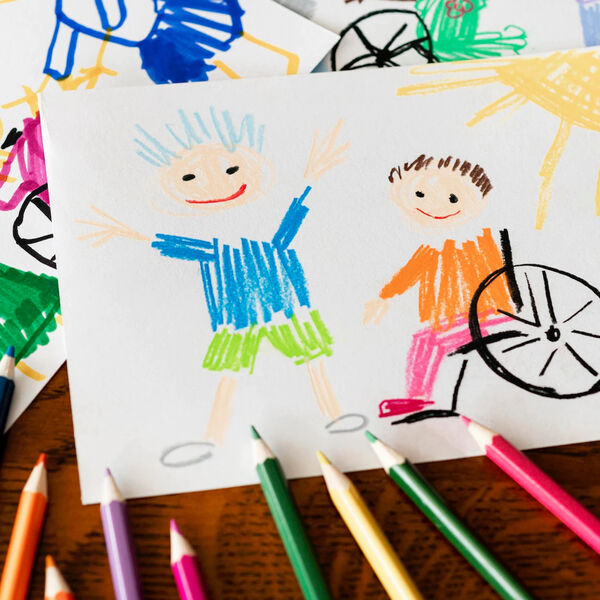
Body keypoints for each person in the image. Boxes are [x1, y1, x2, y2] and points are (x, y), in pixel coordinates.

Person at [81, 109, 364, 453]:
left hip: (284, 306)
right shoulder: (217, 248)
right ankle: (213, 437)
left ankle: (333, 413)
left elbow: (282, 235)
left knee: (311, 358)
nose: (215, 185)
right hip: (237, 317)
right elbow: (182, 247)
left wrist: (311, 180)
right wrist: (130, 233)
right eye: (189, 178)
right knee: (231, 374)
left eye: (231, 170)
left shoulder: (246, 240)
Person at [364, 154, 512, 423]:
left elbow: (492, 287)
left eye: (452, 199)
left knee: (428, 339)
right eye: (420, 195)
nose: (434, 207)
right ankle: (419, 396)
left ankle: (419, 396)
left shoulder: (475, 241)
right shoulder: (435, 244)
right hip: (459, 320)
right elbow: (409, 273)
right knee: (427, 337)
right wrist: (384, 297)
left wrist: (386, 297)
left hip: (488, 317)